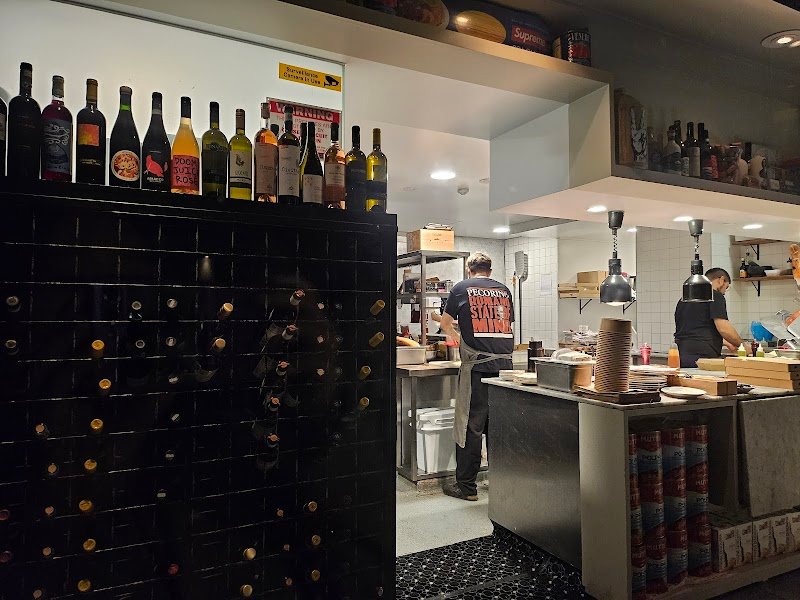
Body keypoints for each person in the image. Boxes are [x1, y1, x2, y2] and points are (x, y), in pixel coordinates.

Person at [439, 252, 514, 501]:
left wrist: (457, 336)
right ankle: (501, 482)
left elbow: (445, 323)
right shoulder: (504, 291)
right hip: (505, 368)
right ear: (490, 271)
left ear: (469, 270)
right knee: (499, 427)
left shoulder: (461, 288)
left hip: (477, 368)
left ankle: (467, 487)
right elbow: (503, 325)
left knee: (470, 426)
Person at [674, 267, 746, 368]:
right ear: (721, 280)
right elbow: (724, 329)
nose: (724, 292)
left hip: (680, 356)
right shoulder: (714, 296)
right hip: (703, 359)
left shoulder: (684, 299)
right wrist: (743, 345)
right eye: (726, 287)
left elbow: (696, 331)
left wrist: (727, 343)